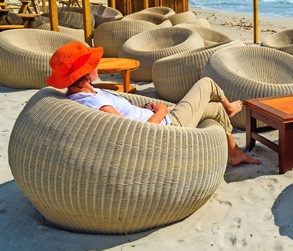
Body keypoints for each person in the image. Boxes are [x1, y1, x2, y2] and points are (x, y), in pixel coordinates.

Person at [46, 42, 260, 166]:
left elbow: (123, 119)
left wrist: (140, 110)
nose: (96, 64)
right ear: (84, 73)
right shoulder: (96, 102)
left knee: (214, 110)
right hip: (166, 127)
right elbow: (131, 134)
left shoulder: (83, 93)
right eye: (92, 63)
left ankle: (234, 153)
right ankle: (230, 107)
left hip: (157, 119)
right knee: (207, 84)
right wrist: (163, 110)